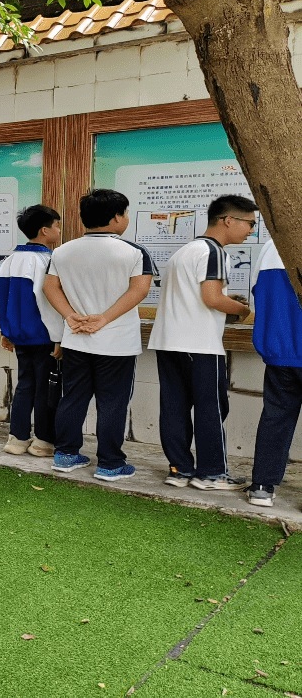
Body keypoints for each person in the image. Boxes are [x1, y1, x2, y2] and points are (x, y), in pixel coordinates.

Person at [44, 189, 155, 479]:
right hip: (116, 343)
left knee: (73, 397)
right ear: (117, 218)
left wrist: (71, 316)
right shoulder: (133, 252)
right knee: (113, 401)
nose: (127, 219)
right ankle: (110, 463)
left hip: (76, 338)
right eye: (126, 213)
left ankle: (66, 455)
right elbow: (140, 290)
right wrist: (103, 319)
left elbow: (50, 287)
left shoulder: (63, 250)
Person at [150, 195, 257, 490]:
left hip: (168, 340)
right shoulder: (214, 252)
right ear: (228, 221)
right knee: (212, 407)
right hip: (198, 344)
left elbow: (198, 297)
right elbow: (211, 298)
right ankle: (211, 473)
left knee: (174, 406)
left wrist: (226, 301)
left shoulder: (184, 251)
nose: (251, 230)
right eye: (249, 223)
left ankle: (179, 470)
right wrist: (243, 310)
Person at [0, 204, 64, 457]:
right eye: (57, 225)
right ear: (45, 230)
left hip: (19, 335)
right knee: (45, 388)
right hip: (44, 335)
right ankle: (43, 441)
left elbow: (2, 301)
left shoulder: (10, 260)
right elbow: (48, 304)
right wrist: (58, 337)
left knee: (25, 384)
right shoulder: (45, 261)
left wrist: (4, 331)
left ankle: (17, 438)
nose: (59, 230)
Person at [246, 238, 302, 507]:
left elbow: (260, 292)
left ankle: (261, 487)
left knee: (275, 416)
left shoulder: (272, 244)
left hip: (279, 349)